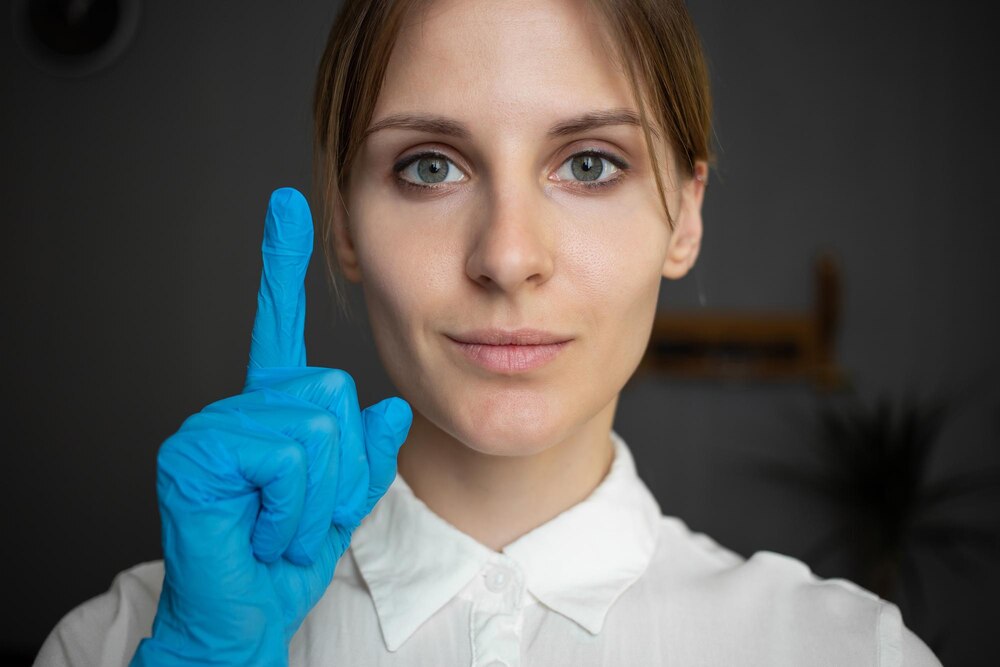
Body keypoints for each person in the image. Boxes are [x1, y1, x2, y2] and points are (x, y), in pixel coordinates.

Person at [35, 0, 943, 665]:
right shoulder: (115, 644)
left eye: (590, 164)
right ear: (343, 223)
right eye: (430, 166)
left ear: (685, 219)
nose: (508, 256)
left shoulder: (846, 650)